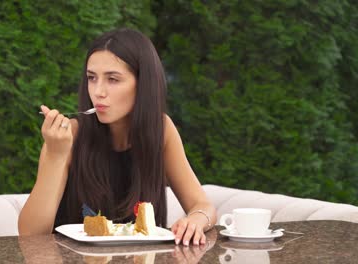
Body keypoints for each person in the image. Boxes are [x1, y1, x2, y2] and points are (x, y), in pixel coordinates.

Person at [18, 28, 216, 246]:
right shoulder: (69, 136)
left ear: (143, 84)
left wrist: (196, 219)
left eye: (112, 79)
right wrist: (56, 156)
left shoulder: (161, 130)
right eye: (92, 78)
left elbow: (202, 205)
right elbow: (30, 235)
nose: (98, 92)